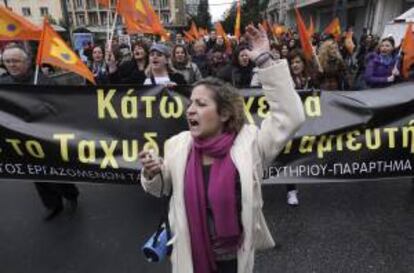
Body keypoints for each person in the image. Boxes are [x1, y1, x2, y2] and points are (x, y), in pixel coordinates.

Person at [139, 25, 305, 273]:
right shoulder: (177, 145)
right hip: (191, 258)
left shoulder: (250, 144)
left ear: (225, 113)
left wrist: (265, 61)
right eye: (191, 103)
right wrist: (152, 173)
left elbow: (290, 117)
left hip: (234, 260)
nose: (190, 110)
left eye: (201, 103)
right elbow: (161, 187)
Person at [0, 43, 79, 221]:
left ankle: (71, 194)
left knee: (57, 171)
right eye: (7, 61)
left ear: (27, 62)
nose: (11, 64)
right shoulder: (3, 84)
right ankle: (52, 205)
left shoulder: (44, 82)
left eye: (15, 61)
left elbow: (62, 107)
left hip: (47, 136)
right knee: (36, 173)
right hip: (20, 138)